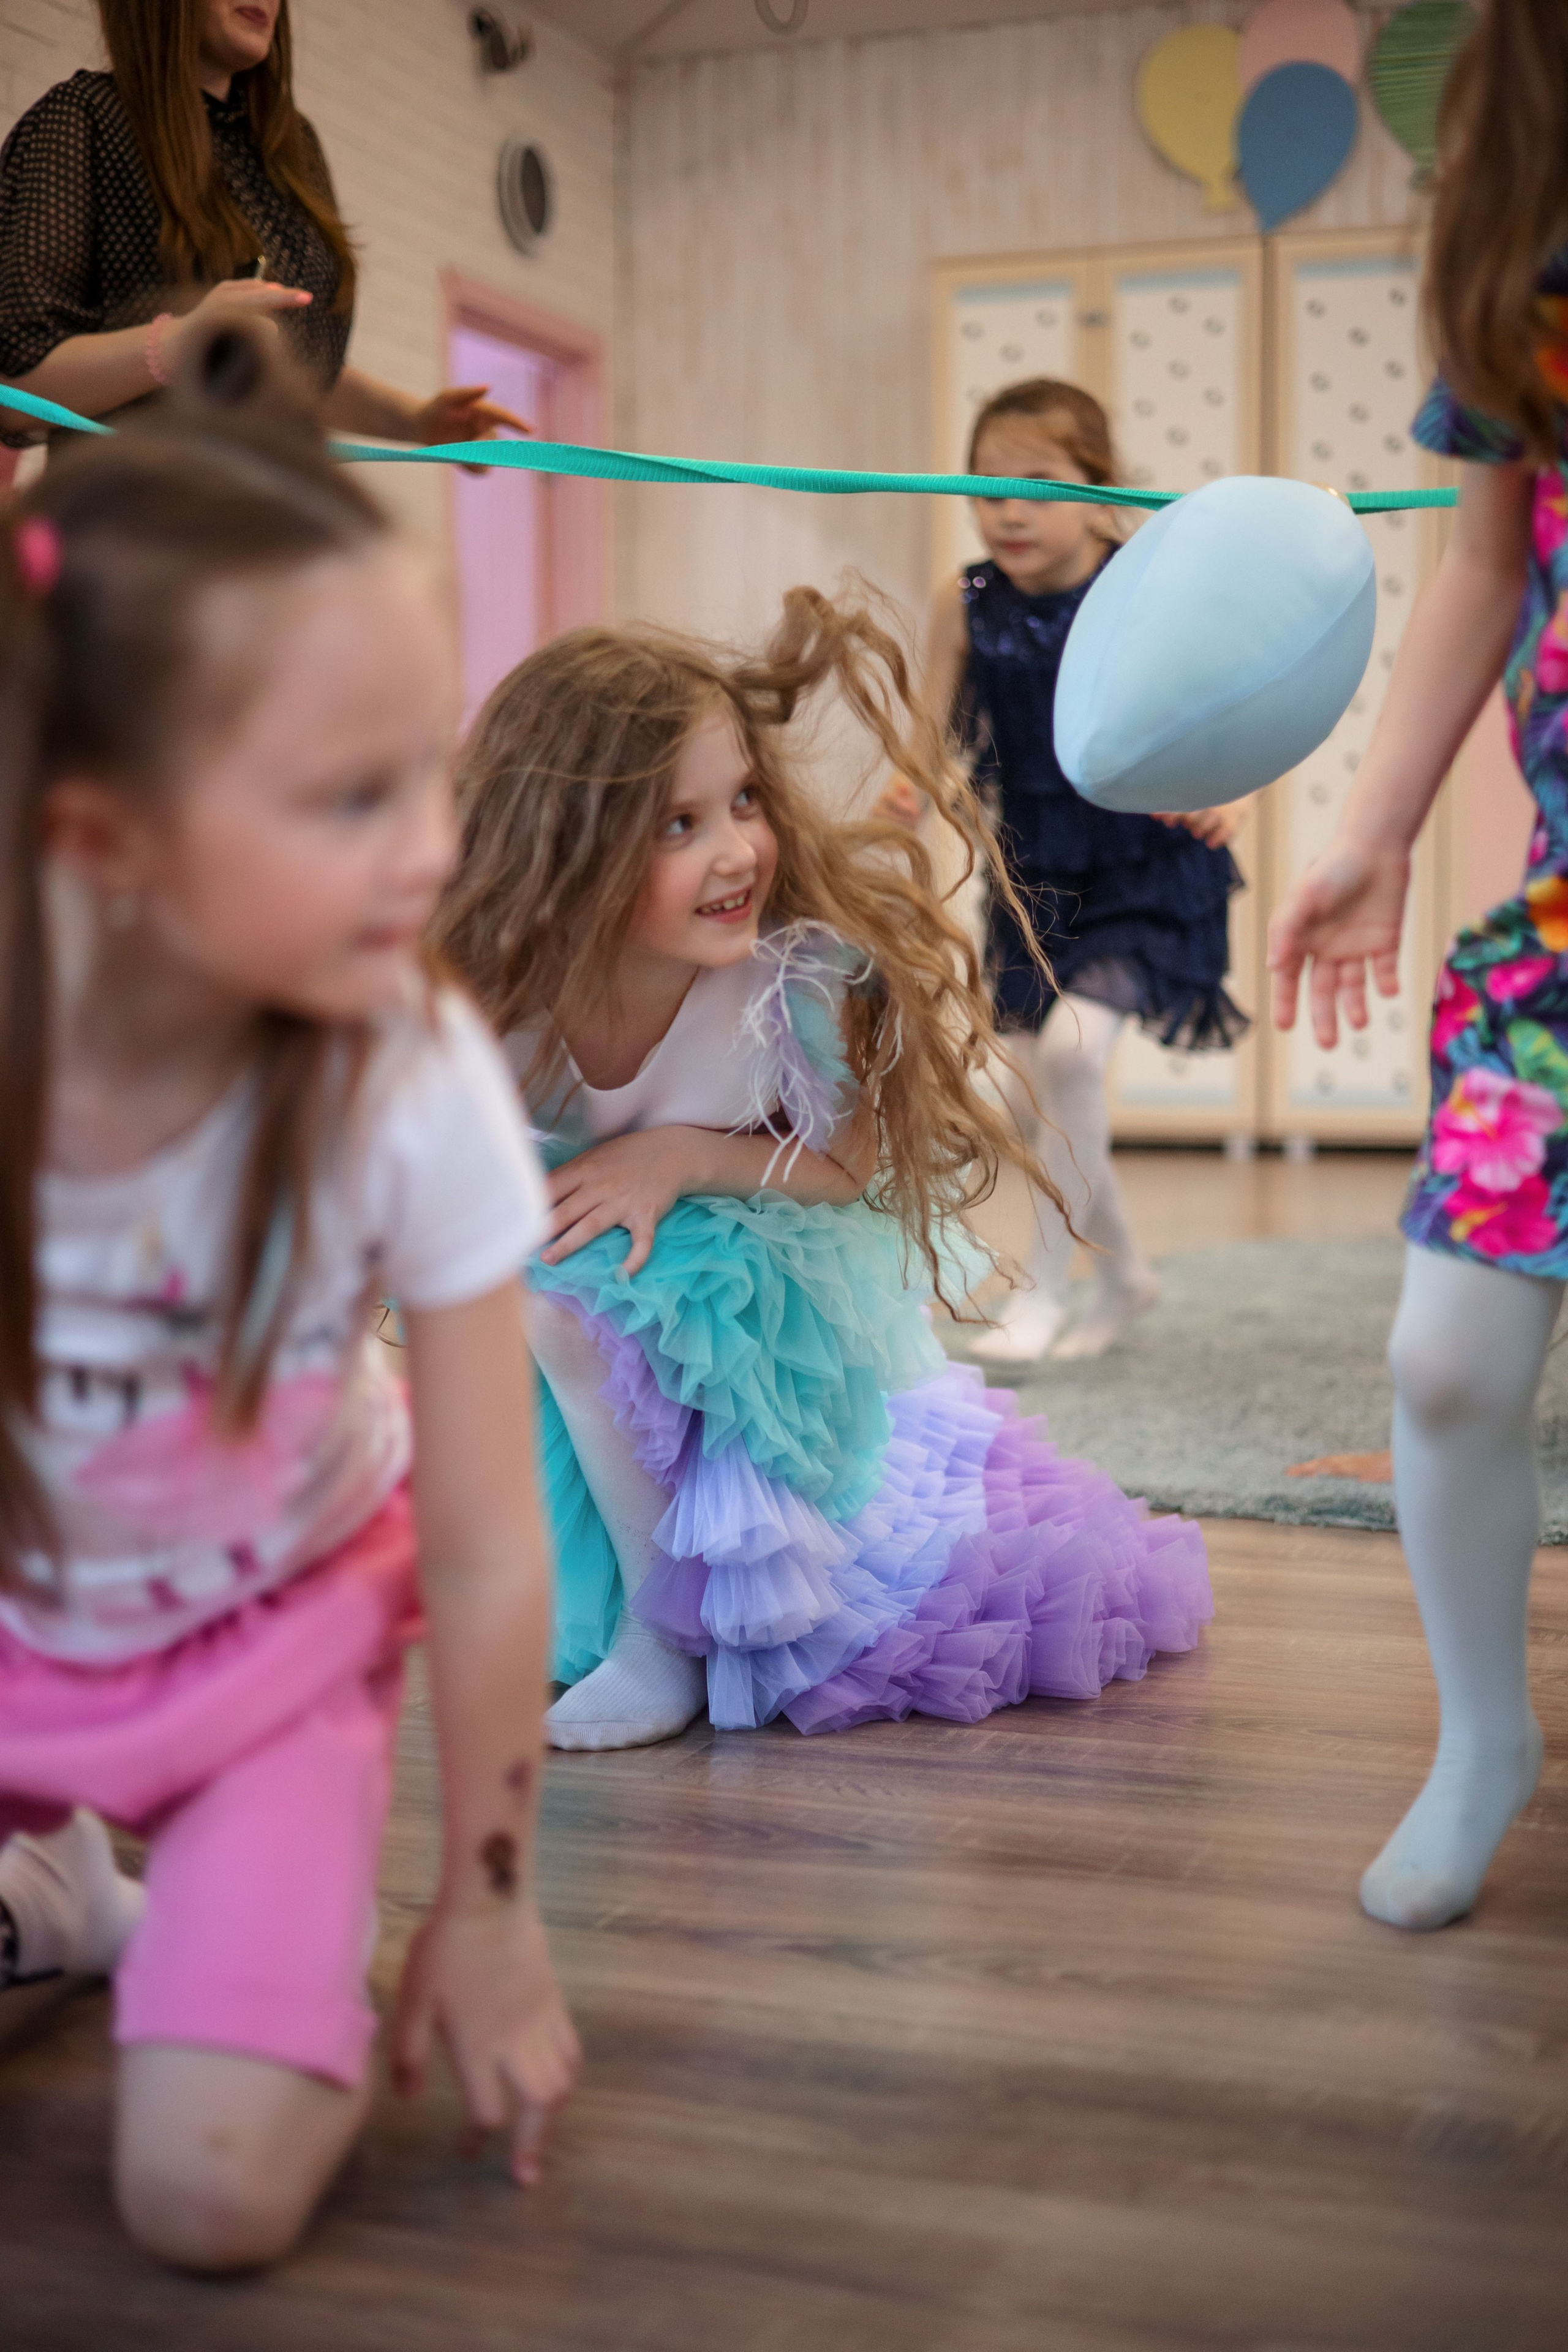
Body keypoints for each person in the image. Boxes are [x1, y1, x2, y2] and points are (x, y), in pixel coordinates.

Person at [0, 326, 577, 2272]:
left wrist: (489, 1902)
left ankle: (182, 1902)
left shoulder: (408, 1065)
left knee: (209, 2200)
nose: (435, 851)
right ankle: (73, 1893)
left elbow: (487, 1546)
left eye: (432, 768)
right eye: (351, 798)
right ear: (103, 838)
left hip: (265, 1647)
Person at [432, 594, 1213, 1754]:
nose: (737, 850)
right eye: (679, 825)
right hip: (603, 1254)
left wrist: (677, 1157)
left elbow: (847, 1166)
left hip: (764, 1253)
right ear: (562, 847)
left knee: (570, 1303)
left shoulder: (792, 977)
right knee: (541, 1286)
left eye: (745, 800)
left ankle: (668, 1640)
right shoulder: (496, 1002)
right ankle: (647, 1576)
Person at [1268, 0, 1568, 1932]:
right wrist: (1374, 826)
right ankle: (1482, 1736)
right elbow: (1484, 557)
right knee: (1446, 1360)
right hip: (1560, 929)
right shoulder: (1520, 217)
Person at [885, 381, 1250, 1363]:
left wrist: (1235, 792)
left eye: (1039, 484)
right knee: (1025, 1095)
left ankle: (1042, 1290)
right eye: (987, 487)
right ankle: (1126, 1275)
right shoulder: (967, 602)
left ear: (1098, 490)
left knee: (1074, 1060)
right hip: (1034, 878)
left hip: (1147, 865)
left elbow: (1225, 704)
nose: (1008, 510)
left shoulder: (1142, 585)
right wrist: (906, 791)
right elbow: (929, 739)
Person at [0, 0, 524, 450]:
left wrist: (416, 422)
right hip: (131, 520)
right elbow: (14, 388)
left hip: (267, 521)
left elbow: (287, 367)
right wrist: (176, 346)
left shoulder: (294, 150)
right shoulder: (84, 120)